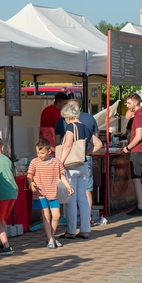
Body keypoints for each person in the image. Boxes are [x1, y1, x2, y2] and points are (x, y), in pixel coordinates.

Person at [57, 101, 101, 238]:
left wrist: (60, 162)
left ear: (69, 116)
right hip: (83, 165)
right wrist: (86, 153)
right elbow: (99, 144)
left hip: (71, 167)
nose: (65, 119)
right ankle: (85, 230)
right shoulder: (85, 127)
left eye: (65, 117)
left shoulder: (71, 127)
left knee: (71, 199)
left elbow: (68, 145)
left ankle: (71, 231)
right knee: (82, 198)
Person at [27, 139, 73, 248]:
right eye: (38, 152)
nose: (39, 155)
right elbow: (29, 175)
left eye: (42, 153)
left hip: (52, 192)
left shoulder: (56, 162)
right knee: (46, 216)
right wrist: (31, 184)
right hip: (40, 193)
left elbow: (61, 175)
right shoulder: (34, 162)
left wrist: (68, 187)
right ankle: (50, 239)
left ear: (49, 152)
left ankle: (52, 237)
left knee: (56, 216)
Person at [121, 93, 142, 215]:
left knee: (136, 179)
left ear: (136, 102)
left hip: (138, 150)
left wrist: (128, 147)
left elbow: (138, 136)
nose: (127, 106)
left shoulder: (138, 117)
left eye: (129, 103)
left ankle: (140, 206)